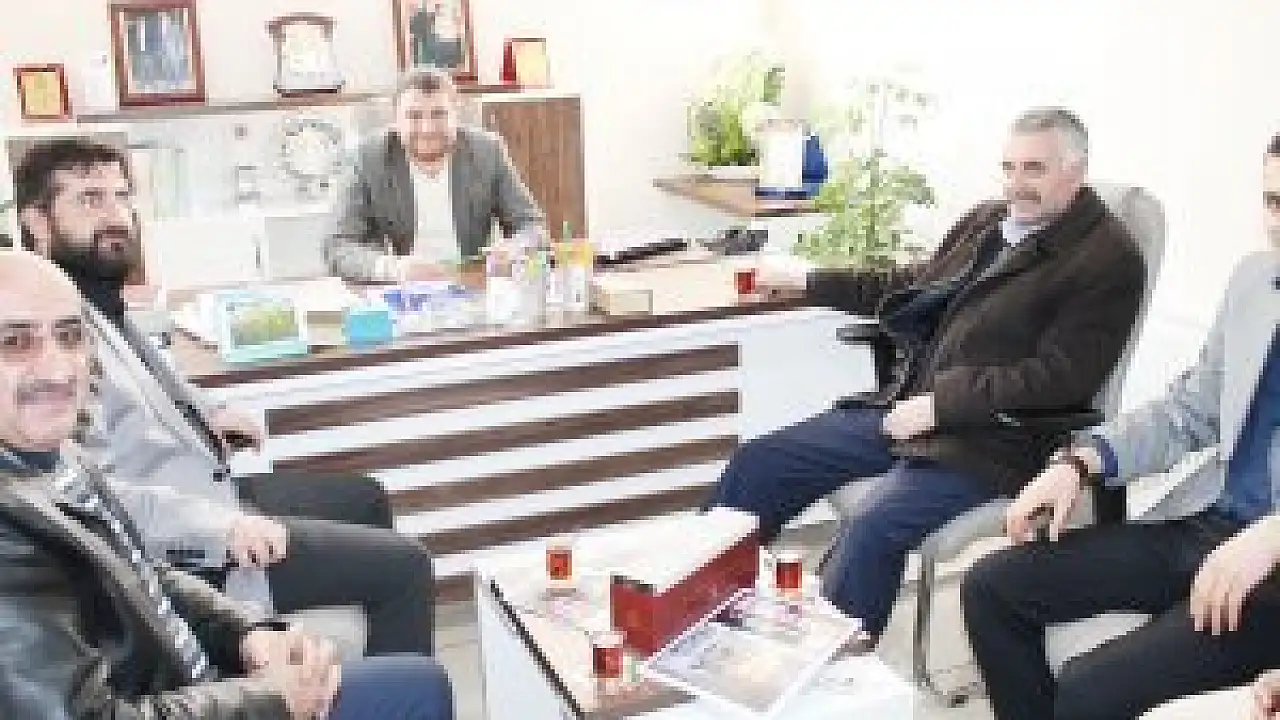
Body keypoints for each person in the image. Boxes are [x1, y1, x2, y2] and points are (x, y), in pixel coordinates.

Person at [704, 107, 1146, 639]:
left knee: (873, 526)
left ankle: (832, 669)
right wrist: (809, 280)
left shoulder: (1107, 259)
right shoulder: (990, 221)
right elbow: (913, 286)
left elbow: (1058, 378)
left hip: (995, 440)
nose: (1015, 184)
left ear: (1076, 171)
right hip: (911, 410)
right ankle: (696, 617)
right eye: (1008, 167)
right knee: (761, 464)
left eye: (1034, 169)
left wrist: (941, 405)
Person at [14, 137, 437, 655]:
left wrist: (212, 412)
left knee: (364, 497)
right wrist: (223, 525)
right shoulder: (58, 344)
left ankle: (361, 669)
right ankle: (392, 684)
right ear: (37, 222)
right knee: (406, 566)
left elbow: (161, 383)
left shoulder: (98, 301)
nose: (116, 216)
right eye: (90, 199)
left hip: (210, 489)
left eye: (122, 197)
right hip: (190, 547)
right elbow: (92, 498)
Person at [0, 251, 454, 720]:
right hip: (189, 693)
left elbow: (144, 575)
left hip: (196, 680)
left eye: (70, 336)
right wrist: (273, 700)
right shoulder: (11, 531)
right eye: (16, 342)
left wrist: (245, 632)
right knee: (415, 684)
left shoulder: (58, 458)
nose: (59, 369)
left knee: (419, 678)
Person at [961, 132, 1280, 720]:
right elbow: (1189, 410)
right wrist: (1079, 462)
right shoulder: (1256, 283)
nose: (1279, 225)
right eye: (1273, 202)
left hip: (1272, 572)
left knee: (1090, 689)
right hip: (1209, 525)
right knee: (992, 587)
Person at [325, 66, 544, 282]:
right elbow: (338, 246)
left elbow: (532, 225)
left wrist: (515, 248)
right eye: (414, 116)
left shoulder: (487, 151)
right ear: (395, 120)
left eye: (439, 114)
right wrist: (393, 268)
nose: (427, 129)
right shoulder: (367, 158)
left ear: (456, 114)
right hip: (399, 288)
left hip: (470, 282)